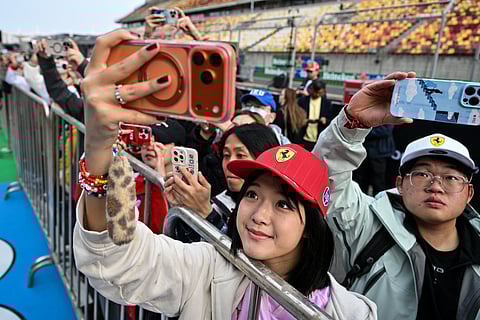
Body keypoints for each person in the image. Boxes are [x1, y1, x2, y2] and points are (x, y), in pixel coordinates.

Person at [73, 29, 377, 320]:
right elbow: (118, 258)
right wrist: (99, 145)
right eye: (253, 194)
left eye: (283, 204)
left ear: (311, 226)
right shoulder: (206, 268)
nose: (258, 215)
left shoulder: (351, 313)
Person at [314, 71, 480, 319]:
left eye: (451, 178)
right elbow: (326, 179)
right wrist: (351, 124)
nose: (436, 186)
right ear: (400, 184)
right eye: (422, 174)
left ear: (469, 192)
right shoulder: (366, 227)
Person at [164, 123, 279, 243]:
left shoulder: (281, 208)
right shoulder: (218, 203)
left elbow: (241, 257)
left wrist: (206, 212)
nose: (229, 163)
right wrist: (182, 209)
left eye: (240, 155)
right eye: (226, 155)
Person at [352, 125, 395, 195]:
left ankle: (379, 203)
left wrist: (364, 132)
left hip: (379, 154)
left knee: (379, 183)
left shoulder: (387, 114)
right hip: (362, 153)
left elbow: (386, 130)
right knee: (360, 182)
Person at [298, 79, 333, 151]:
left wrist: (325, 121)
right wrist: (302, 121)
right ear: (311, 90)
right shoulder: (303, 101)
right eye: (316, 92)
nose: (317, 94)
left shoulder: (327, 103)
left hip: (319, 140)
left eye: (320, 92)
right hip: (303, 138)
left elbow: (332, 121)